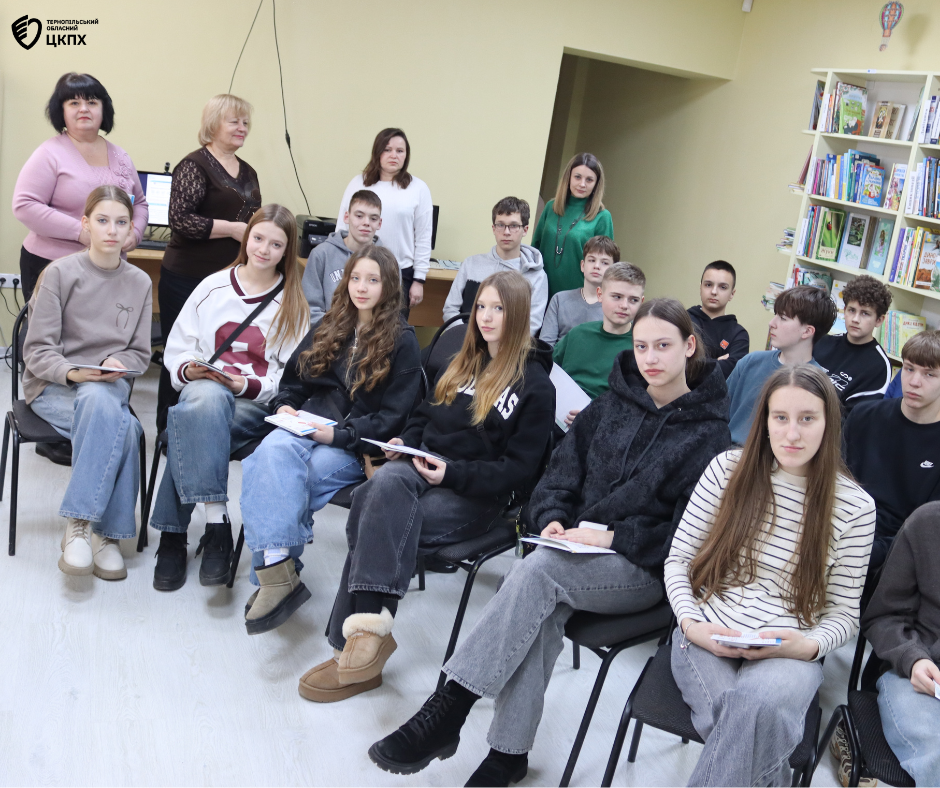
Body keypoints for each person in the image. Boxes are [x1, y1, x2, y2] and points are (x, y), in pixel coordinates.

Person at [367, 298, 731, 787]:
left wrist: (611, 536)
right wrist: (554, 518)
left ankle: (450, 705)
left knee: (537, 573)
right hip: (572, 553)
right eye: (642, 346)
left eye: (663, 346)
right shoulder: (611, 404)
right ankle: (507, 755)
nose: (650, 358)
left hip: (642, 568)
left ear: (689, 347)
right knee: (541, 595)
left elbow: (691, 536)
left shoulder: (710, 435)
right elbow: (559, 473)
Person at [297, 271, 555, 704]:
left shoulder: (536, 386)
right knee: (380, 493)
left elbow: (519, 471)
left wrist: (451, 474)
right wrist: (406, 442)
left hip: (474, 493)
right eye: (481, 307)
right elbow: (422, 414)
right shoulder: (461, 361)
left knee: (377, 513)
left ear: (519, 315)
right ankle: (366, 644)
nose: (487, 317)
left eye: (499, 308)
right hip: (422, 466)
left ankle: (350, 651)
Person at [666, 364, 875, 787]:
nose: (791, 434)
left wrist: (808, 646)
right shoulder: (727, 470)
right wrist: (691, 624)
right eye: (780, 417)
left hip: (789, 649)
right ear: (763, 421)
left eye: (807, 418)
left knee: (748, 714)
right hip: (706, 631)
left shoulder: (855, 507)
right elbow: (679, 562)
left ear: (829, 424)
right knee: (751, 725)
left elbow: (843, 613)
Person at [240, 245, 422, 633]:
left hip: (353, 443)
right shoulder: (332, 323)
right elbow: (294, 378)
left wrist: (338, 435)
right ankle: (279, 574)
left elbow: (393, 418)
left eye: (372, 280)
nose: (361, 287)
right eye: (355, 278)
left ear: (389, 286)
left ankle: (272, 577)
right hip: (308, 421)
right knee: (269, 452)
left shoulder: (403, 340)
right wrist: (286, 405)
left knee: (291, 478)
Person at [149, 205, 307, 592]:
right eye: (258, 238)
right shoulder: (212, 287)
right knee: (204, 401)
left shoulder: (293, 305)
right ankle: (217, 521)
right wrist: (190, 370)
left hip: (252, 406)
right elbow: (178, 348)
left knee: (190, 422)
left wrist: (243, 385)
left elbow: (288, 380)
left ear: (287, 251)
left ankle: (173, 536)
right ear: (246, 238)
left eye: (276, 244)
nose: (264, 249)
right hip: (203, 393)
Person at [23, 185, 152, 579]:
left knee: (101, 400)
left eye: (121, 222)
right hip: (53, 386)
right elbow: (37, 352)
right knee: (125, 427)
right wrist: (73, 372)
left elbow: (140, 354)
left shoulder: (140, 282)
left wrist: (118, 362)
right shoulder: (60, 273)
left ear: (131, 228)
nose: (112, 230)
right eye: (102, 220)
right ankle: (100, 533)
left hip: (107, 387)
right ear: (86, 224)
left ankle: (82, 529)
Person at [156, 94, 262, 429]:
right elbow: (181, 220)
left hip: (227, 282)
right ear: (214, 124)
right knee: (181, 355)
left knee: (215, 354)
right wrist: (232, 229)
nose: (242, 127)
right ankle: (167, 427)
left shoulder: (248, 171)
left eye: (245, 122)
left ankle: (202, 425)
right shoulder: (194, 165)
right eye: (234, 121)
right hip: (186, 278)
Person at [13, 72, 149, 303]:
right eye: (74, 103)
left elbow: (140, 204)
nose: (84, 109)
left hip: (109, 265)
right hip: (52, 265)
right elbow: (24, 205)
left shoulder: (121, 156)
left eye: (92, 102)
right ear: (62, 111)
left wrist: (134, 235)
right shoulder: (49, 153)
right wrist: (83, 233)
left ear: (104, 110)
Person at [843, 330, 940, 575]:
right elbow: (836, 485)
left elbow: (925, 531)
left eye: (929, 374)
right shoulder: (864, 416)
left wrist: (862, 552)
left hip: (901, 555)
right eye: (909, 369)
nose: (914, 381)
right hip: (843, 529)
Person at [861, 502, 940, 787]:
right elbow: (883, 616)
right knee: (936, 756)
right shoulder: (927, 523)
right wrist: (914, 658)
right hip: (915, 674)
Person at [336, 128, 432, 312]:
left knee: (393, 326)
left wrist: (419, 280)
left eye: (400, 151)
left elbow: (423, 236)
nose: (394, 155)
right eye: (387, 149)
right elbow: (342, 227)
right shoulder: (358, 183)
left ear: (406, 155)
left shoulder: (418, 188)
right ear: (377, 152)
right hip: (359, 271)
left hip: (399, 273)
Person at [726, 285, 836, 445]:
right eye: (775, 315)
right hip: (728, 452)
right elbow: (716, 411)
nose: (772, 323)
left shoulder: (819, 383)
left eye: (783, 318)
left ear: (807, 331)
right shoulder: (750, 362)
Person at [552, 262, 645, 424]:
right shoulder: (578, 334)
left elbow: (638, 406)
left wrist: (594, 416)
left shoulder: (642, 349)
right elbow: (548, 371)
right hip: (556, 419)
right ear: (600, 294)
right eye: (617, 297)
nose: (624, 305)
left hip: (606, 426)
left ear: (641, 302)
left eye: (633, 300)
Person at [442, 197, 547, 335]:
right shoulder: (470, 264)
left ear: (525, 230)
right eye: (500, 225)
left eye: (514, 226)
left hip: (506, 344)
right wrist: (467, 339)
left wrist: (497, 343)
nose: (506, 232)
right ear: (493, 228)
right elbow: (450, 309)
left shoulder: (536, 276)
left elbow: (531, 325)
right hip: (464, 339)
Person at [531, 152, 614, 297]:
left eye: (589, 180)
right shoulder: (551, 207)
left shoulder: (602, 216)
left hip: (578, 296)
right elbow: (535, 249)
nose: (582, 184)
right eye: (577, 177)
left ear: (596, 184)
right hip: (541, 291)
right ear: (568, 177)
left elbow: (604, 265)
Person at [813, 274, 893, 411]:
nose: (855, 319)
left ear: (879, 320)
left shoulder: (879, 366)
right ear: (844, 311)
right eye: (851, 310)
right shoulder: (823, 342)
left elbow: (854, 416)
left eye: (865, 313)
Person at [303, 190, 383, 325]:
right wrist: (334, 333)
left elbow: (390, 310)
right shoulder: (321, 254)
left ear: (379, 223)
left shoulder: (387, 262)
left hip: (371, 334)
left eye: (373, 218)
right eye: (359, 216)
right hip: (329, 333)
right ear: (346, 217)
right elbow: (310, 309)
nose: (366, 223)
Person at [539, 235, 617, 347]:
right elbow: (545, 346)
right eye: (592, 260)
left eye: (604, 262)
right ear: (582, 265)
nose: (596, 266)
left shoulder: (616, 307)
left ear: (613, 269)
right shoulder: (559, 300)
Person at [687, 260, 749, 378]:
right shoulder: (681, 320)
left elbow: (730, 373)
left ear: (732, 294)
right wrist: (716, 362)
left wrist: (693, 363)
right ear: (700, 288)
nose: (714, 292)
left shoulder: (739, 335)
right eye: (708, 285)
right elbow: (672, 362)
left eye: (722, 287)